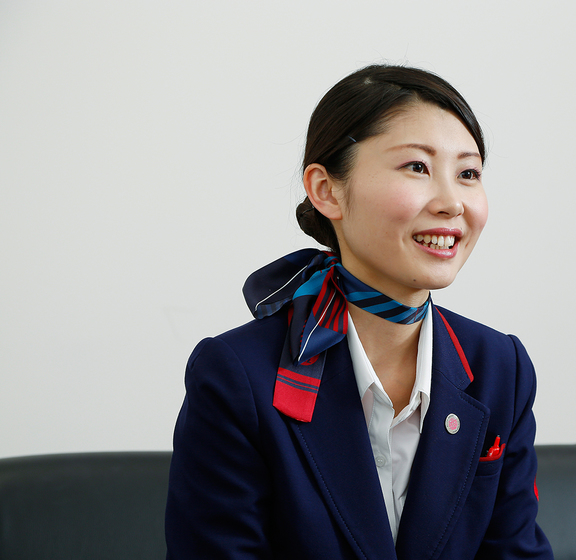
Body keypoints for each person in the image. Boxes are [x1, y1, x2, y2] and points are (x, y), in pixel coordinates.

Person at [165, 64, 553, 559]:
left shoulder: (501, 368)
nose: (452, 203)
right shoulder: (236, 378)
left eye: (468, 173)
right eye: (417, 167)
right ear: (326, 190)